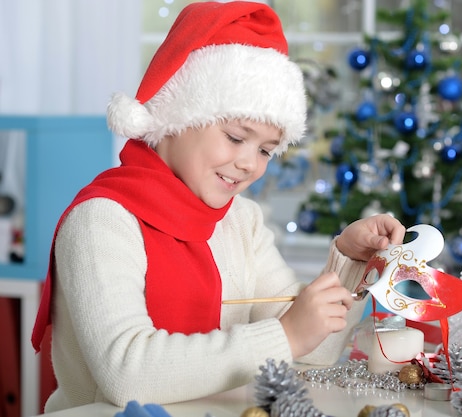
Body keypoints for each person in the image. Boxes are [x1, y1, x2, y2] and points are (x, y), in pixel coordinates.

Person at [30, 1, 406, 412]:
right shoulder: (101, 220)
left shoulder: (240, 221)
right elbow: (127, 374)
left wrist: (348, 265)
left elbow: (313, 348)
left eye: (266, 149)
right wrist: (285, 335)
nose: (249, 163)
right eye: (234, 136)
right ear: (177, 117)